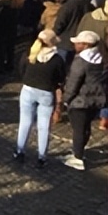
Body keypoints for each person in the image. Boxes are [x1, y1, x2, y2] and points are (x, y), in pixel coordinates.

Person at [13, 30, 66, 169]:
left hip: (28, 90)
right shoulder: (57, 59)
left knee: (25, 122)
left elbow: (21, 69)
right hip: (46, 93)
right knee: (44, 127)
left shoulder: (29, 54)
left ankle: (19, 152)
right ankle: (42, 157)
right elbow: (60, 78)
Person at [63, 31, 106, 171]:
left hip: (80, 101)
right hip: (95, 100)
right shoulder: (102, 58)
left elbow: (73, 83)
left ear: (86, 45)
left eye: (78, 42)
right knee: (86, 128)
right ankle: (79, 152)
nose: (75, 44)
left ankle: (77, 157)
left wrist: (66, 99)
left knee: (79, 130)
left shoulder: (80, 61)